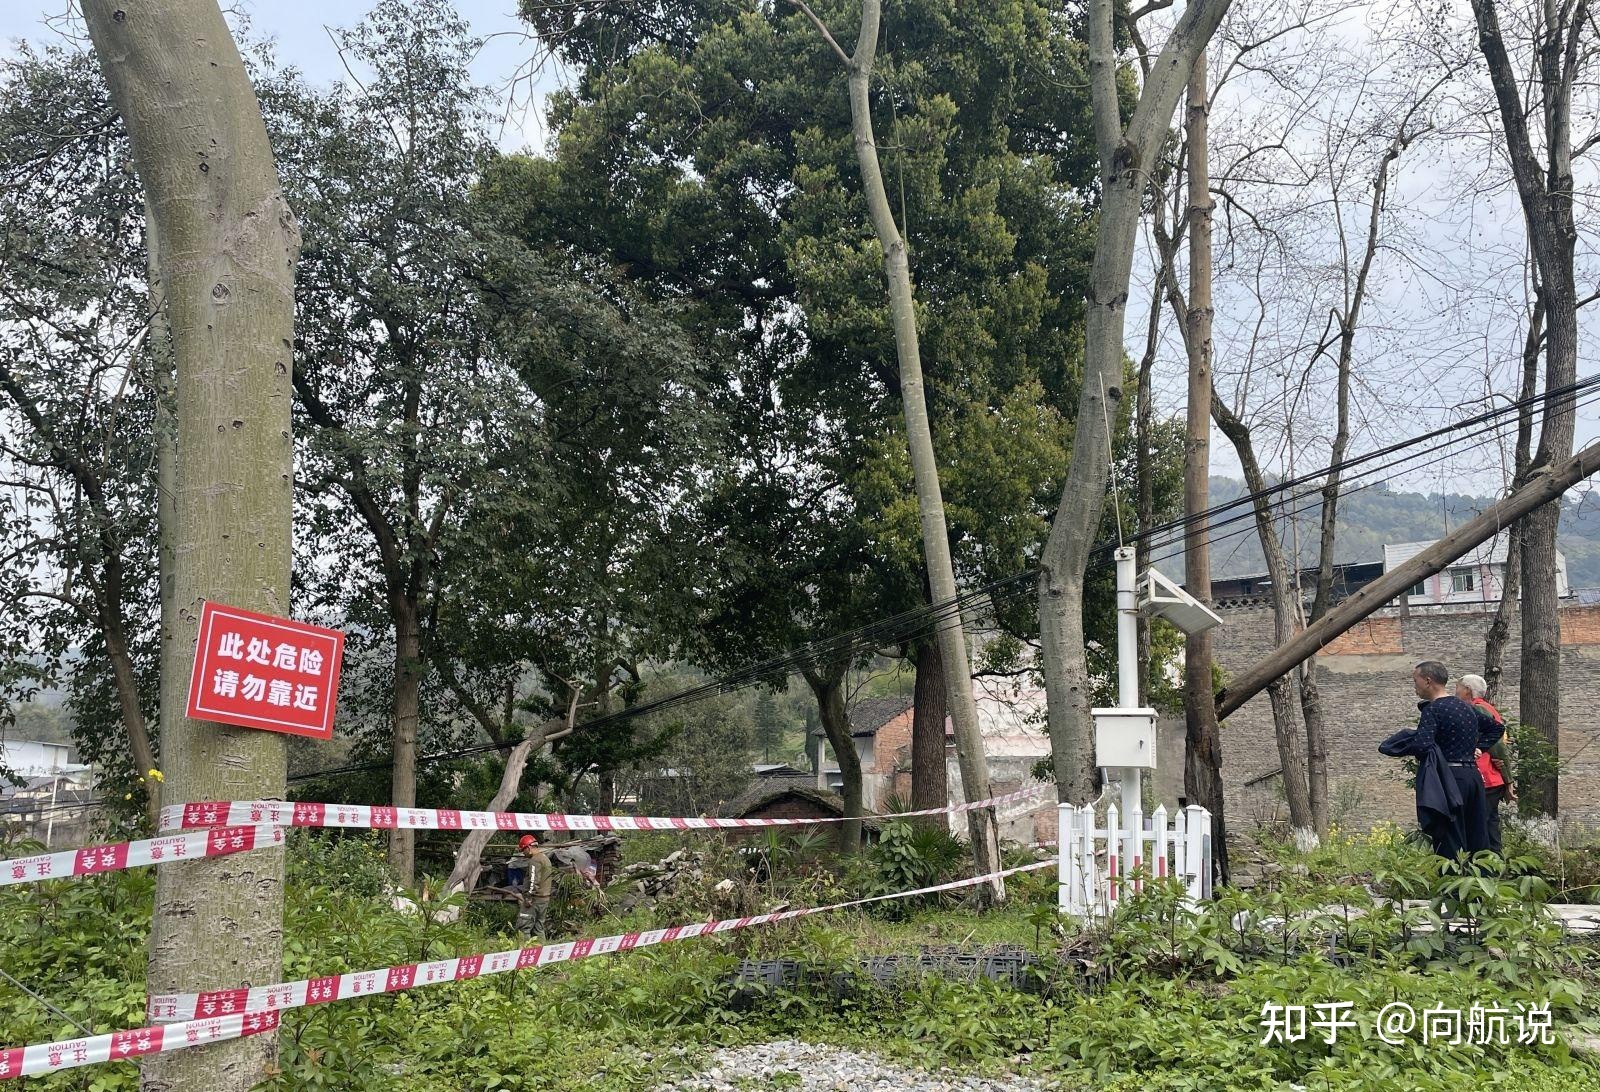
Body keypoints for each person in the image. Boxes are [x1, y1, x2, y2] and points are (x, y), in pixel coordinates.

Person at [1377, 661, 1495, 858]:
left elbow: (1422, 746)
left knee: (1450, 838)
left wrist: (1403, 743)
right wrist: (1478, 748)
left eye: (1415, 680)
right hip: (1472, 777)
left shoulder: (1433, 710)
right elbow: (1495, 728)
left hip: (1448, 779)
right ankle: (1482, 875)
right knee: (1476, 835)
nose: (1414, 686)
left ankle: (1453, 878)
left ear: (1428, 681)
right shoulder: (1465, 707)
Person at [1456, 673, 1514, 854]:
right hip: (1490, 778)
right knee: (1489, 825)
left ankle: (1486, 864)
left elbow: (1497, 744)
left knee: (1481, 827)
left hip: (1485, 777)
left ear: (1467, 690)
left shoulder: (1477, 709)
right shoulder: (1488, 708)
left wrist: (1508, 779)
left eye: (1458, 688)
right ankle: (1494, 862)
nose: (1455, 692)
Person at [513, 833, 553, 937]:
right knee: (538, 928)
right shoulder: (545, 858)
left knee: (523, 928)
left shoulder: (535, 860)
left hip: (535, 899)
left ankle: (523, 947)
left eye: (523, 850)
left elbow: (534, 880)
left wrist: (529, 897)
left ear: (528, 847)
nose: (523, 853)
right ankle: (541, 947)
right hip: (544, 898)